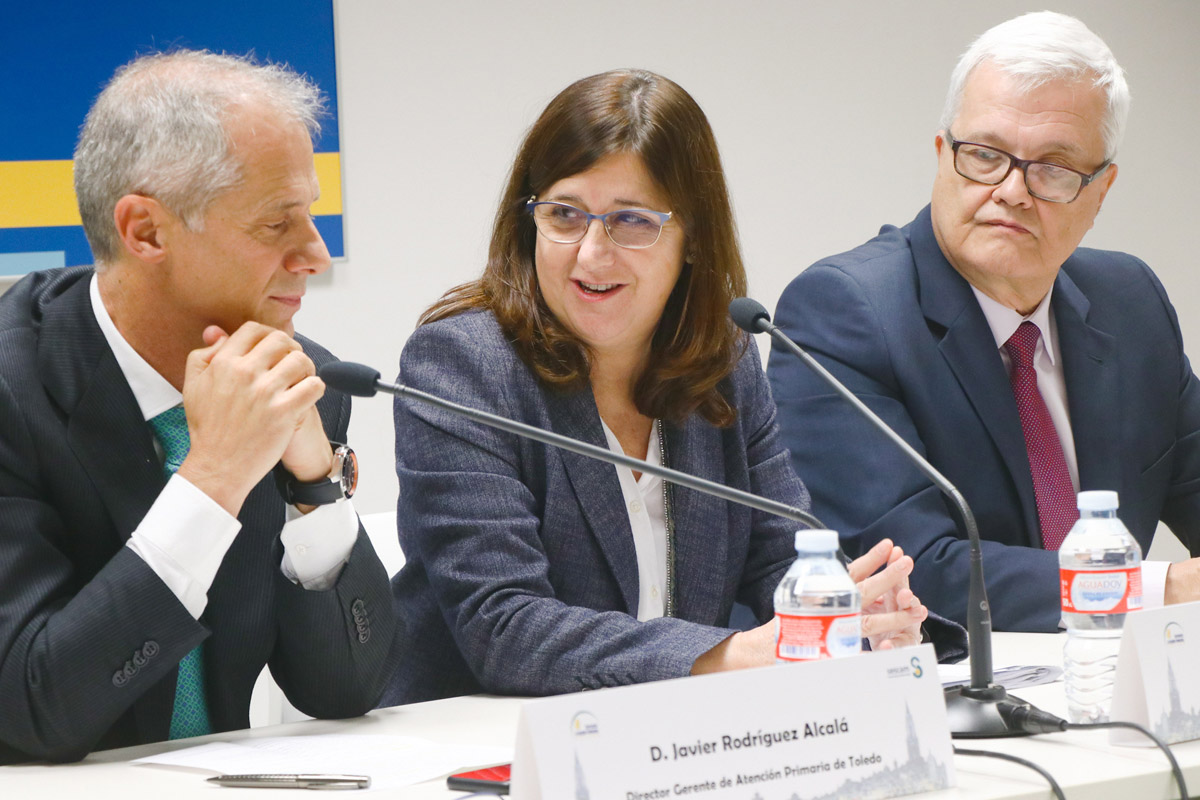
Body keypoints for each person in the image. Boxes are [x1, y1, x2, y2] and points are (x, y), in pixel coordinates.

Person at [383, 69, 959, 707]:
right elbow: (505, 629)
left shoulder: (723, 361)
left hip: (674, 740)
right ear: (530, 221)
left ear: (692, 239)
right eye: (566, 215)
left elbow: (779, 560)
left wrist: (857, 621)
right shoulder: (463, 366)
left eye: (631, 221)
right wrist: (741, 653)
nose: (592, 254)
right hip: (481, 750)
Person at [0, 51, 395, 764]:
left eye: (312, 214)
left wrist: (313, 483)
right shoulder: (11, 388)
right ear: (146, 232)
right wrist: (212, 477)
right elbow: (34, 713)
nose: (317, 255)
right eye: (278, 224)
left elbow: (347, 689)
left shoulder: (298, 383)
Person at [769, 11, 1200, 633]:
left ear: (1101, 190)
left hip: (1119, 689)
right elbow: (917, 572)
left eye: (1053, 168)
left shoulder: (1129, 302)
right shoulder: (846, 312)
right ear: (943, 154)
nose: (1013, 190)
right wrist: (1170, 586)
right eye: (986, 155)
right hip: (951, 699)